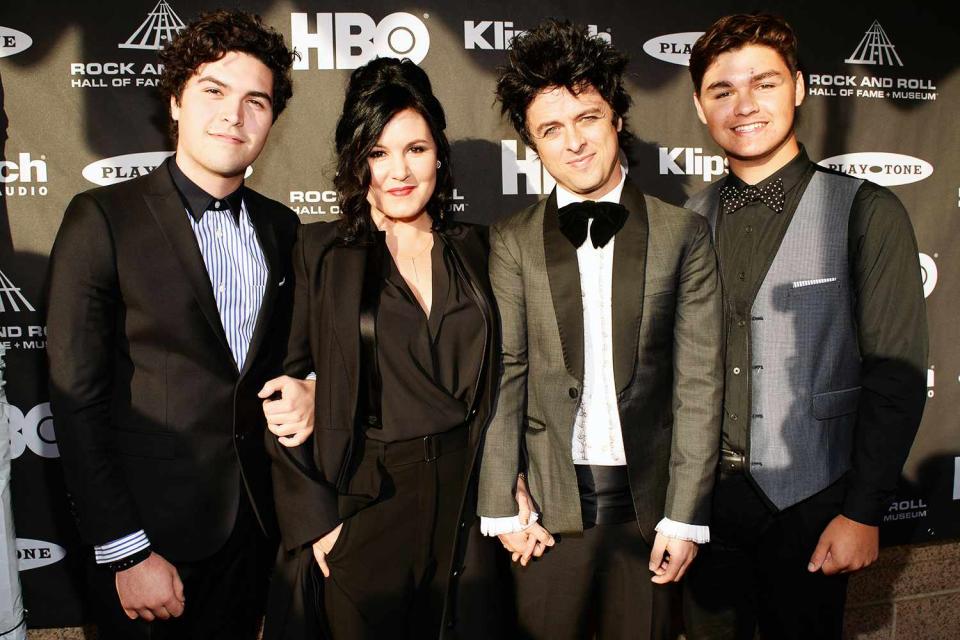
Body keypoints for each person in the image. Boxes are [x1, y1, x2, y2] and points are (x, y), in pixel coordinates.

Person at [46, 10, 299, 639]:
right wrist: (125, 551)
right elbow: (77, 402)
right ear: (177, 102)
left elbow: (296, 357)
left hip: (255, 536)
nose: (234, 115)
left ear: (271, 121)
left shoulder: (284, 228)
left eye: (256, 101)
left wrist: (311, 386)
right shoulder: (102, 218)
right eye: (214, 91)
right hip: (150, 545)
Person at [682, 13, 928, 640]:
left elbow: (895, 375)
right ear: (699, 105)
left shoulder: (866, 211)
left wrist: (863, 513)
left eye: (763, 83)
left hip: (814, 503)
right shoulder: (685, 220)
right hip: (703, 509)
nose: (744, 106)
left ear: (798, 87)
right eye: (722, 90)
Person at [476, 20, 724, 640]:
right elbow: (505, 376)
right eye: (550, 130)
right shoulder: (511, 240)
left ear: (616, 117)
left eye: (587, 118)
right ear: (533, 144)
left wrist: (684, 517)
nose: (574, 143)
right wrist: (501, 502)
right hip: (548, 516)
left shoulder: (682, 234)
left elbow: (698, 381)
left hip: (650, 514)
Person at [261, 57, 508, 640]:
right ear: (356, 160)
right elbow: (280, 389)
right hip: (366, 499)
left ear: (439, 155)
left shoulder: (478, 249)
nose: (398, 171)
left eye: (415, 150)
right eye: (378, 152)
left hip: (464, 500)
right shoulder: (320, 252)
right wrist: (318, 521)